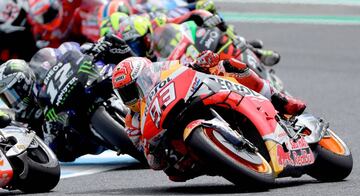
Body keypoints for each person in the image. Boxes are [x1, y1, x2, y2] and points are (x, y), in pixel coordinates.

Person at [111, 50, 306, 181]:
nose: (132, 98)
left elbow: (188, 67)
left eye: (133, 90)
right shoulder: (132, 122)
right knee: (174, 173)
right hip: (184, 153)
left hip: (196, 99)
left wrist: (204, 62)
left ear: (147, 76)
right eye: (125, 94)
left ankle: (280, 99)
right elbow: (151, 161)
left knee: (230, 64)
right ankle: (226, 155)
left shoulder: (165, 73)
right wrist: (153, 148)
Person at [0, 35, 134, 161]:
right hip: (79, 137)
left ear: (25, 82)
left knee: (112, 41)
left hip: (81, 87)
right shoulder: (25, 118)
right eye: (6, 97)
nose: (12, 100)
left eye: (12, 93)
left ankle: (145, 75)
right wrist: (51, 129)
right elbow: (47, 151)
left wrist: (90, 50)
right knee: (62, 151)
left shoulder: (41, 81)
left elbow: (65, 55)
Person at [100, 9, 281, 66]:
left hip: (190, 52)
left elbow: (185, 17)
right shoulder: (131, 60)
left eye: (139, 42)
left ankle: (253, 50)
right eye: (133, 45)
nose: (137, 48)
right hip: (180, 72)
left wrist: (203, 16)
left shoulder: (156, 22)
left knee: (217, 31)